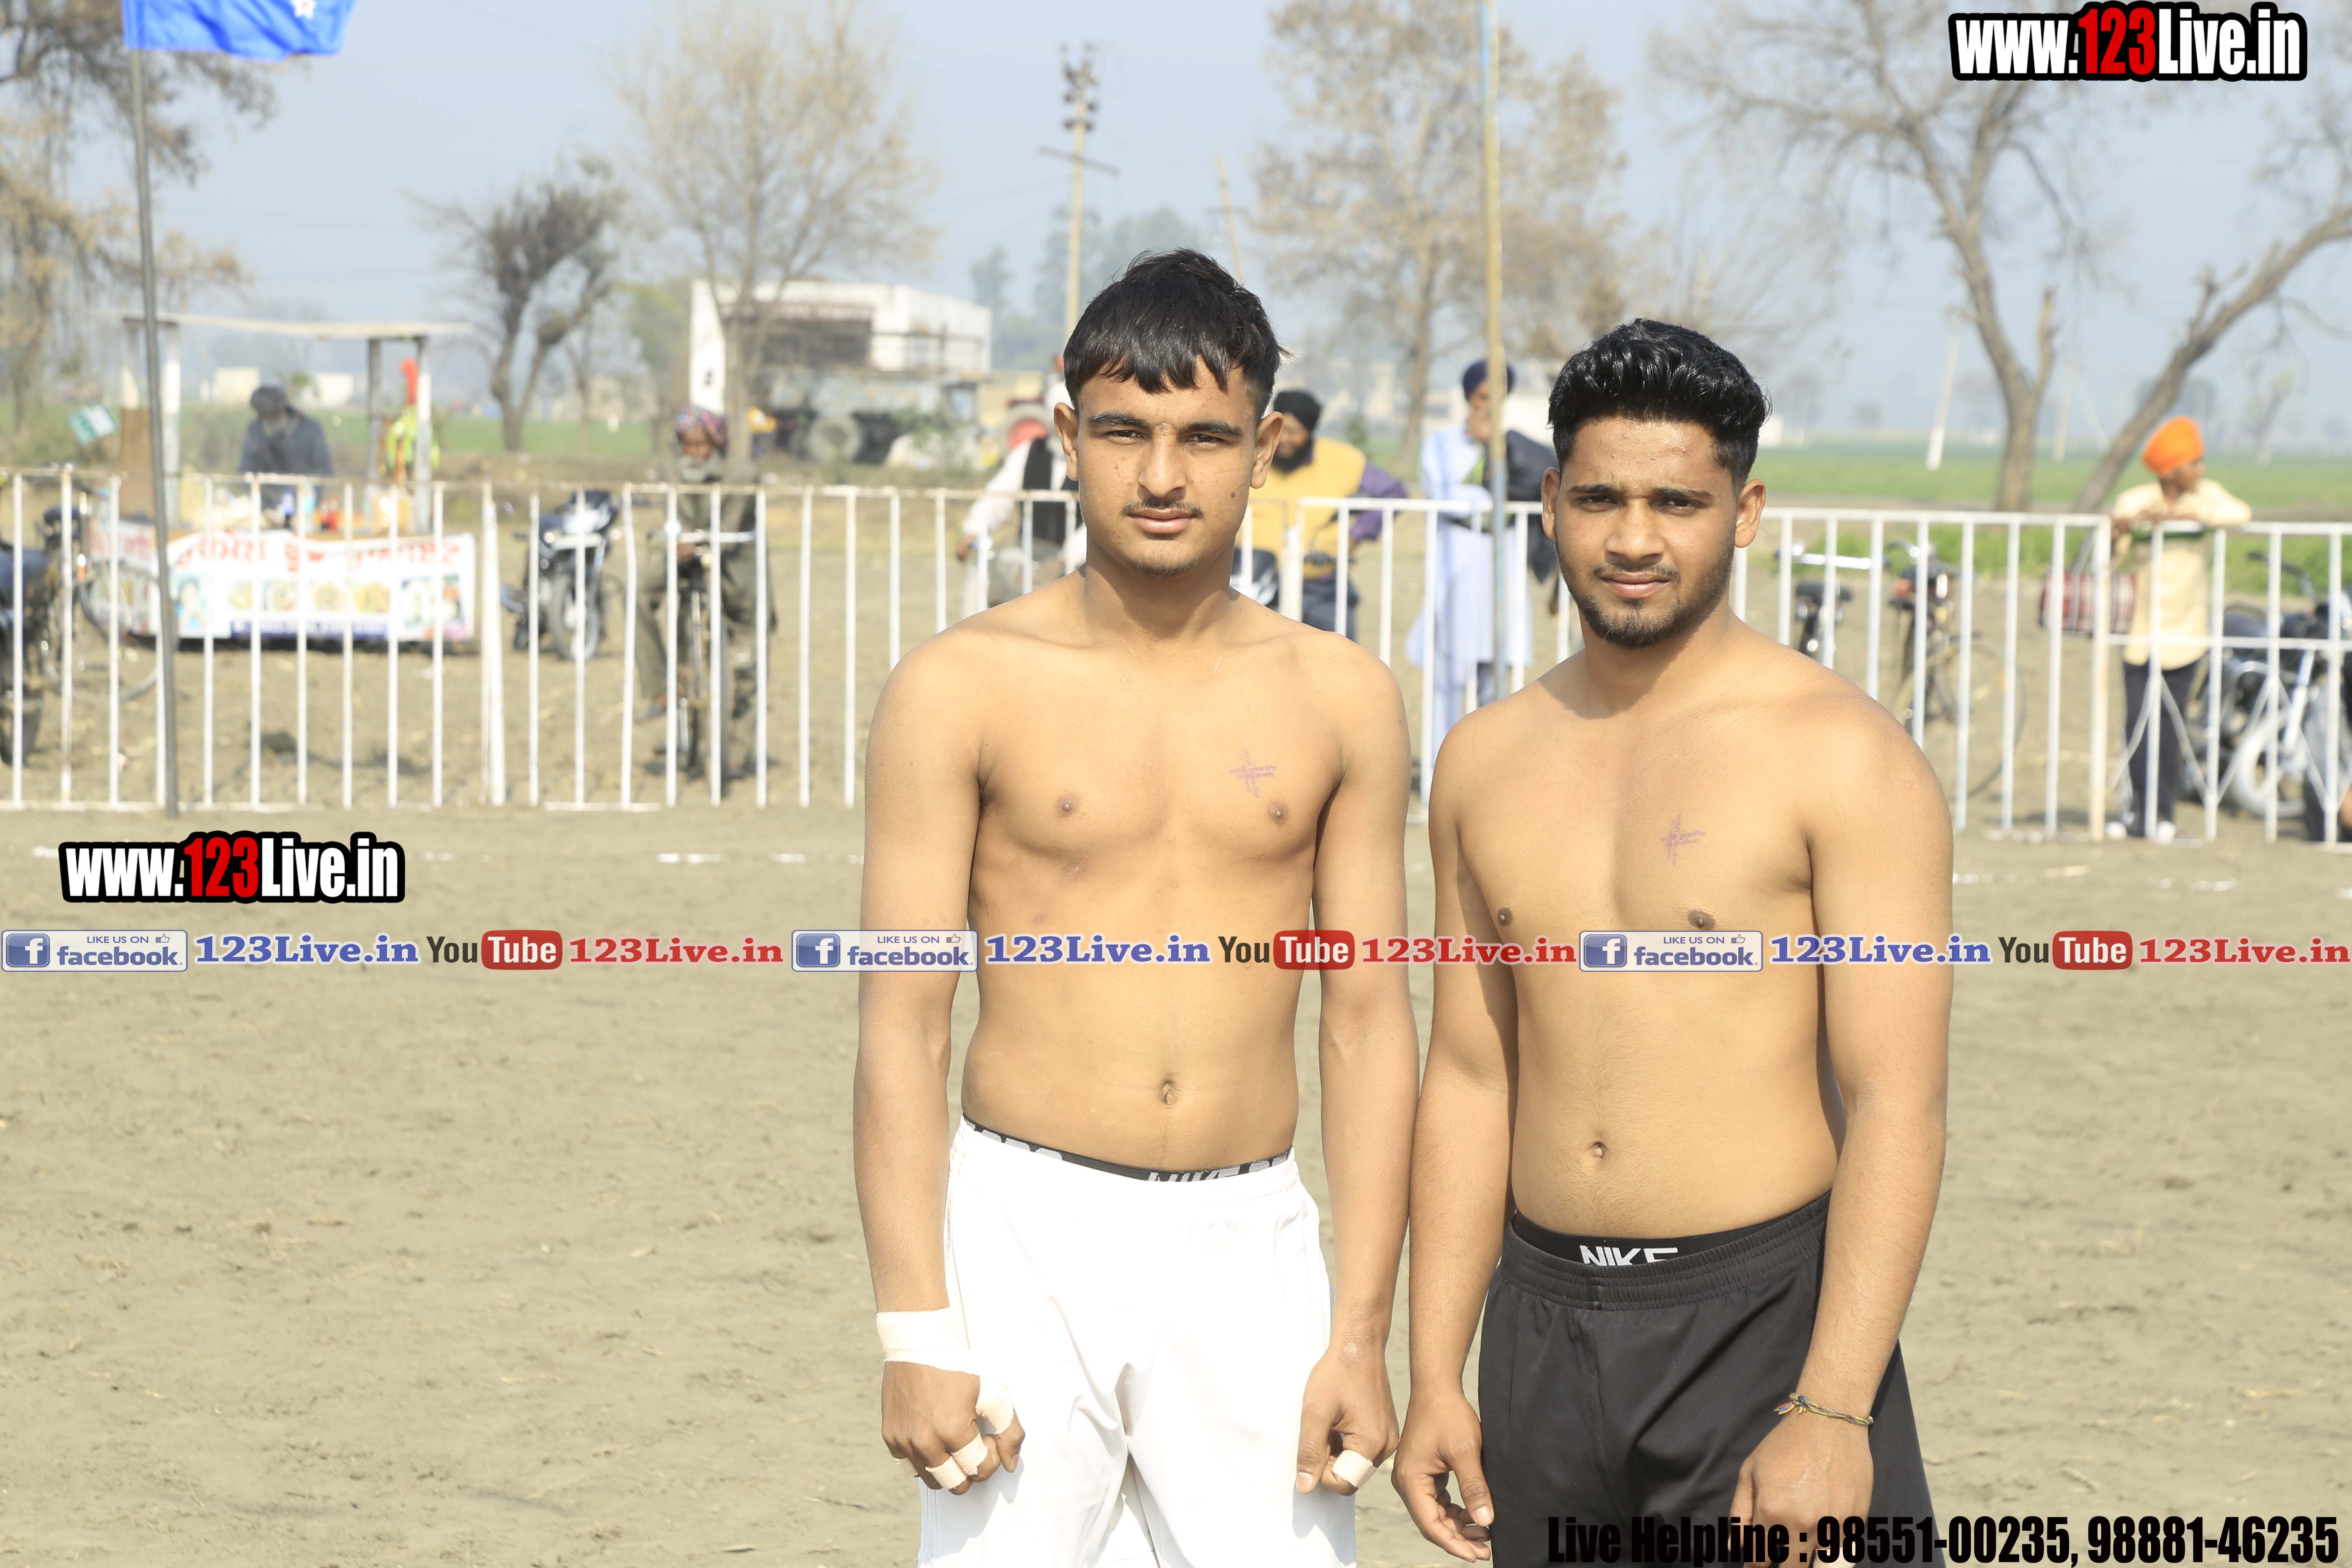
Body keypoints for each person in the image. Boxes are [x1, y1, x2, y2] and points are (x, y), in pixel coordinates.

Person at [856, 249, 1418, 1567]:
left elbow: (1369, 1022)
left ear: (1265, 448)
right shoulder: (958, 685)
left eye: (1204, 438)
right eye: (1124, 433)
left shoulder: (1343, 696)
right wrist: (916, 1329)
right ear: (1067, 439)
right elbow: (902, 1024)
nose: (1162, 476)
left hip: (1251, 1237)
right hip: (1023, 1230)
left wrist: (1359, 1331)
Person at [1392, 320, 1947, 1563]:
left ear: (1743, 512)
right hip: (1542, 1331)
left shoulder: (1843, 755)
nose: (1633, 539)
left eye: (1676, 502)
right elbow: (1472, 1077)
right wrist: (1434, 1370)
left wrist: (1833, 1407)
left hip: (1758, 1329)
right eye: (1600, 498)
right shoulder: (1482, 761)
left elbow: (1896, 1100)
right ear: (1550, 502)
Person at [2106, 416, 2250, 842]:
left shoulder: (2208, 496)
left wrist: (2189, 515)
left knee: (2171, 727)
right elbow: (2112, 558)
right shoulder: (2135, 500)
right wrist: (2119, 532)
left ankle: (2164, 813)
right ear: (2170, 471)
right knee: (2136, 725)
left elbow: (2239, 514)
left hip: (2187, 632)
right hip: (2141, 631)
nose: (2200, 470)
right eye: (2192, 464)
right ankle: (2136, 813)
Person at [1407, 360, 1532, 759]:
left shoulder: (1515, 446)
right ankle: (1439, 764)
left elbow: (1529, 487)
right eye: (1482, 396)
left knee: (1498, 672)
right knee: (1449, 671)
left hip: (1502, 557)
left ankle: (1490, 766)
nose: (1488, 404)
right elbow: (1450, 497)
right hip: (1458, 558)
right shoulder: (1442, 444)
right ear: (1468, 397)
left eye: (1497, 396)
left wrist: (1497, 449)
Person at [636, 409, 768, 783]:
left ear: (717, 444)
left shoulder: (740, 474)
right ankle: (661, 689)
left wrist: (699, 540)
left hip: (735, 572)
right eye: (688, 445)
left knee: (746, 667)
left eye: (701, 445)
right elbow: (673, 515)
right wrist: (677, 537)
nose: (694, 453)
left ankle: (736, 753)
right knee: (639, 593)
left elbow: (730, 527)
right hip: (686, 562)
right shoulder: (672, 471)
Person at [1248, 388, 1408, 638]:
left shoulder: (1341, 460)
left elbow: (1393, 492)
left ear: (1310, 432)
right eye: (1281, 431)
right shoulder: (1253, 454)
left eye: (1294, 432)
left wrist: (1357, 535)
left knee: (1336, 654)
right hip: (1251, 581)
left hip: (1320, 585)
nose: (1285, 440)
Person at [959, 367, 1082, 612]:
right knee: (983, 573)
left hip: (1080, 563)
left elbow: (1100, 522)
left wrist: (1064, 560)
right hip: (1028, 555)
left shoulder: (1097, 460)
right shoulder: (1030, 452)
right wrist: (974, 530)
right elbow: (998, 496)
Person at [238, 385, 334, 493]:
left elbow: (323, 471)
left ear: (283, 410)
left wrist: (305, 492)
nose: (269, 420)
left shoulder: (310, 429)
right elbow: (246, 470)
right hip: (264, 498)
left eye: (273, 415)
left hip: (303, 496)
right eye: (264, 415)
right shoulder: (255, 430)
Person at [381, 358, 440, 483]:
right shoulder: (411, 418)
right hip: (406, 463)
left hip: (409, 463)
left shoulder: (410, 422)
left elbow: (394, 436)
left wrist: (391, 462)